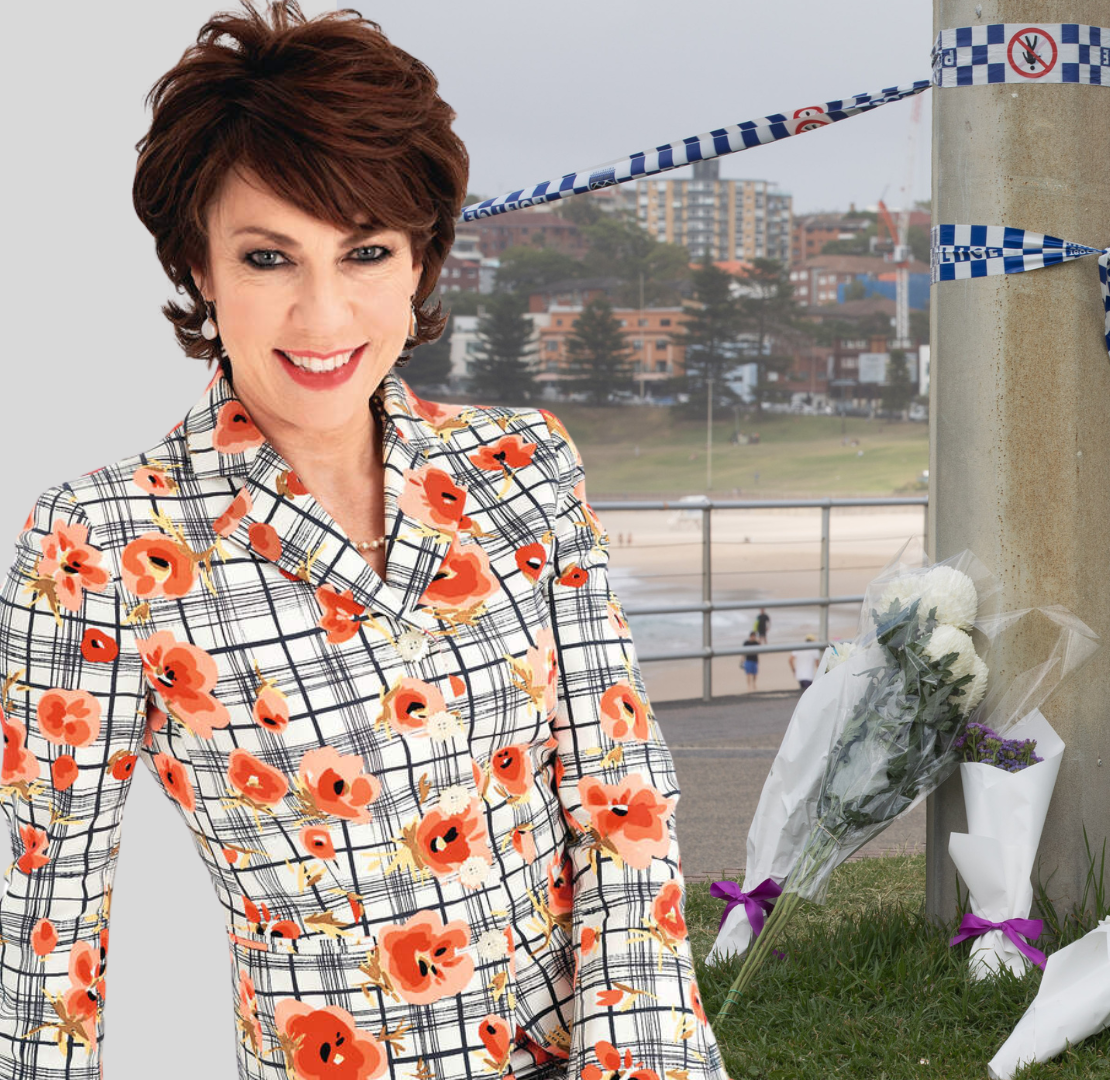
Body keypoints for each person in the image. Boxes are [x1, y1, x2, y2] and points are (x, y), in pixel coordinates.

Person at [0, 6, 726, 1077]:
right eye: (267, 257)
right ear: (198, 267)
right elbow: (48, 913)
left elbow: (621, 792)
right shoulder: (101, 543)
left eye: (367, 252)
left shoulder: (525, 466)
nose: (325, 314)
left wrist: (642, 1061)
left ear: (420, 259)